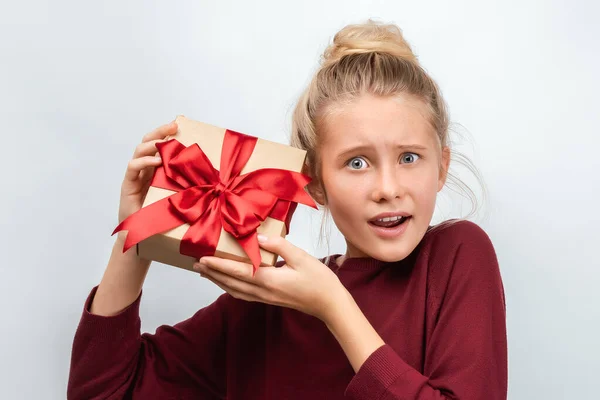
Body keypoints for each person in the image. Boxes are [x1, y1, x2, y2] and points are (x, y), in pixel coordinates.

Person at [67, 20, 507, 400]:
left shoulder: (455, 256)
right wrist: (137, 233)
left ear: (441, 167)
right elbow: (104, 391)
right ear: (314, 181)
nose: (388, 189)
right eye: (357, 163)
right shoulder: (267, 302)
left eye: (409, 158)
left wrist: (334, 307)